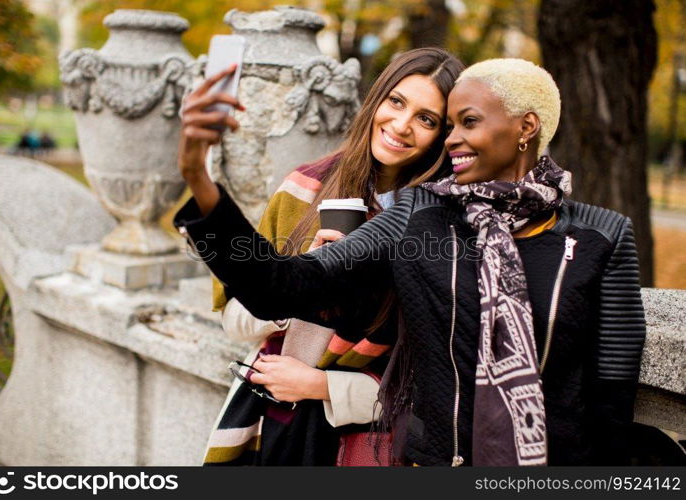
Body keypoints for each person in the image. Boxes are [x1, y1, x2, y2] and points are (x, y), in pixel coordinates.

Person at [174, 58, 647, 466]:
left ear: (526, 127)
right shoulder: (419, 213)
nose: (449, 140)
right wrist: (198, 176)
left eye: (464, 122)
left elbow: (611, 399)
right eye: (451, 125)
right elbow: (282, 286)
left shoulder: (603, 235)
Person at [179, 47, 464, 465]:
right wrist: (303, 285)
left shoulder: (436, 225)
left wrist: (322, 385)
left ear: (443, 134)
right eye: (396, 102)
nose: (401, 126)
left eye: (426, 119)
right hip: (267, 417)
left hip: (361, 441)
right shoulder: (304, 188)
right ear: (377, 99)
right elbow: (233, 315)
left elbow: (440, 385)